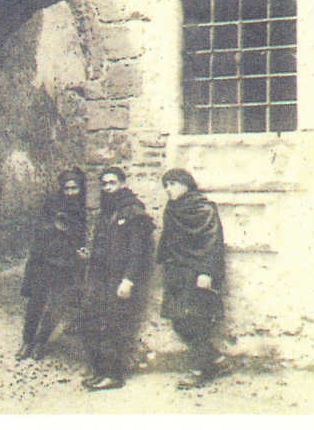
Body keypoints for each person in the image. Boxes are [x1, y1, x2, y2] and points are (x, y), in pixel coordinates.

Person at [79, 167, 154, 391]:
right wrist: (90, 255)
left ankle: (114, 375)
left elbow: (139, 251)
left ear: (122, 184)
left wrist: (128, 280)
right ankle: (100, 371)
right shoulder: (106, 211)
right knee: (95, 321)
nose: (108, 188)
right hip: (101, 277)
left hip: (120, 278)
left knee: (114, 326)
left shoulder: (133, 211)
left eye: (112, 183)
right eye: (104, 184)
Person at [157, 168, 229, 389]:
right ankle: (217, 361)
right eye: (166, 185)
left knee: (196, 321)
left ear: (186, 184)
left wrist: (207, 272)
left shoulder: (204, 208)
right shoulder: (172, 209)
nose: (169, 189)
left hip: (197, 273)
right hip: (177, 273)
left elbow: (213, 242)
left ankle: (199, 371)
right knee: (178, 320)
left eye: (173, 184)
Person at [16, 167, 88, 361]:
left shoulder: (82, 210)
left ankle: (41, 342)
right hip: (44, 261)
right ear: (61, 189)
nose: (71, 192)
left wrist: (81, 251)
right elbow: (39, 232)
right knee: (36, 302)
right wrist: (53, 228)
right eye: (67, 188)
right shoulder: (51, 205)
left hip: (66, 264)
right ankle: (27, 341)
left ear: (80, 189)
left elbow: (81, 237)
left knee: (57, 305)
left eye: (74, 188)